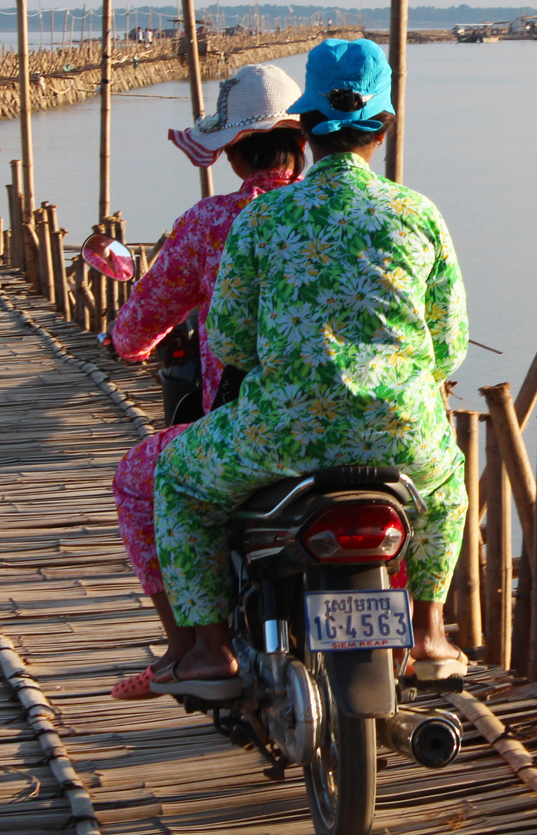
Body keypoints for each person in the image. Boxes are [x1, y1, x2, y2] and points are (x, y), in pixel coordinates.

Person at [150, 37, 469, 699]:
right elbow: (448, 346)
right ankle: (432, 633)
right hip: (403, 431)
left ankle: (208, 650)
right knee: (447, 489)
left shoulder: (264, 217)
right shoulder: (418, 214)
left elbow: (232, 341)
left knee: (177, 482)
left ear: (309, 127)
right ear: (384, 126)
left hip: (280, 434)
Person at [108, 64, 306, 698]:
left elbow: (140, 322)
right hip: (371, 429)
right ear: (304, 143)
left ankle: (194, 648)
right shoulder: (355, 212)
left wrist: (128, 345)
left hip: (254, 428)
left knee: (142, 481)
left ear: (230, 152)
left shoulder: (215, 222)